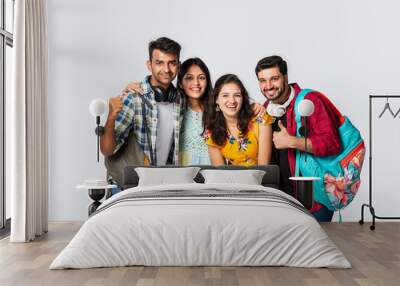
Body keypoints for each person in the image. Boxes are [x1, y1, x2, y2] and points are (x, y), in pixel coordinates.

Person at [123, 59, 266, 166]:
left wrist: (255, 107)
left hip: (214, 172)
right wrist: (133, 89)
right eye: (189, 78)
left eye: (201, 77)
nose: (196, 83)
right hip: (182, 172)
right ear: (180, 83)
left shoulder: (219, 110)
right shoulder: (172, 107)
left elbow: (237, 110)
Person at [255, 55, 342, 222]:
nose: (268, 86)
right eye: (262, 80)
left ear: (285, 78)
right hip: (281, 197)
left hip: (313, 197)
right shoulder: (266, 109)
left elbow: (333, 144)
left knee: (316, 245)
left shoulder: (311, 100)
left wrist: (292, 141)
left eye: (274, 78)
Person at [100, 37, 185, 167]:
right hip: (133, 183)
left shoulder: (180, 100)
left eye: (172, 63)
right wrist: (111, 118)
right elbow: (107, 150)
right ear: (149, 65)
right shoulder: (133, 98)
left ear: (179, 66)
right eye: (159, 63)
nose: (166, 69)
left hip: (165, 180)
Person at [204, 74, 273, 166]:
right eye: (225, 95)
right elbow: (220, 172)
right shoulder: (211, 131)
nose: (232, 101)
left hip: (260, 178)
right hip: (231, 179)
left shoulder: (260, 119)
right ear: (216, 99)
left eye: (237, 95)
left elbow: (264, 169)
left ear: (243, 98)